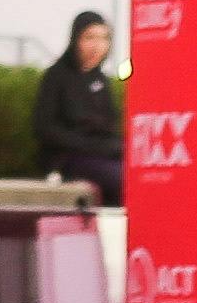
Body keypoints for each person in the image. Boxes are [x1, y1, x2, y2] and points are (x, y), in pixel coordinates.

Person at [32, 10, 126, 193]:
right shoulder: (57, 76)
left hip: (104, 155)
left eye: (103, 38)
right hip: (68, 159)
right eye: (89, 38)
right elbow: (45, 127)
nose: (96, 46)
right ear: (76, 40)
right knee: (119, 179)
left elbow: (109, 125)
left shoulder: (101, 80)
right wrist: (89, 145)